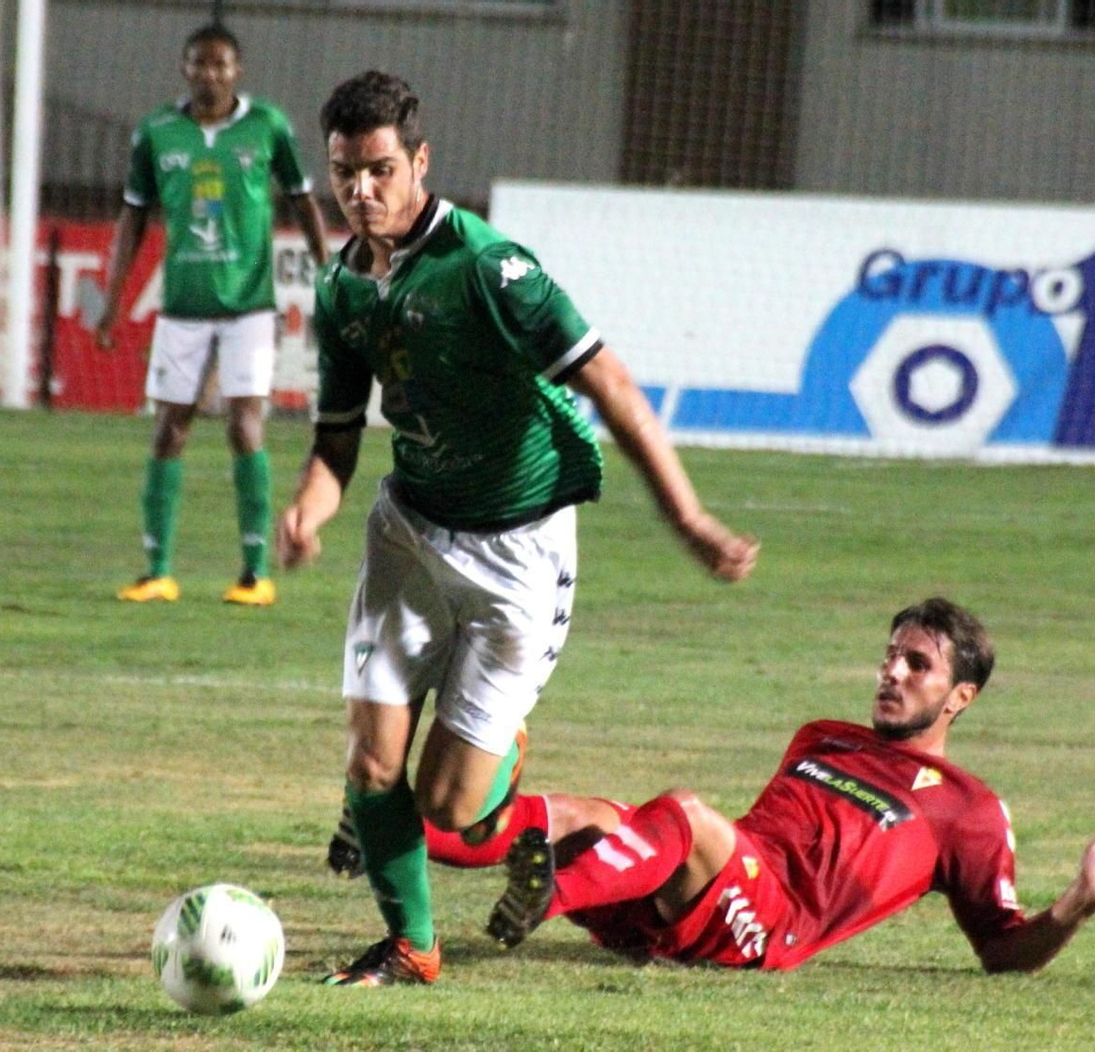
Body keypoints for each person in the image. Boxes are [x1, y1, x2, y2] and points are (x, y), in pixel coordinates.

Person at [276, 70, 759, 987]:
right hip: (410, 532)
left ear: (419, 162)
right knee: (372, 762)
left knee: (452, 805)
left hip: (519, 552)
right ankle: (413, 946)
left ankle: (502, 774)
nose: (362, 192)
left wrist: (688, 515)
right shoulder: (343, 290)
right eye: (344, 173)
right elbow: (337, 441)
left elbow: (610, 384)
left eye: (380, 170)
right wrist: (309, 507)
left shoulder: (494, 269)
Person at [484, 597, 1095, 973]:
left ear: (960, 697)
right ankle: (403, 830)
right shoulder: (821, 737)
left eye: (917, 665)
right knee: (587, 814)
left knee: (687, 815)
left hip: (770, 931)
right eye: (890, 656)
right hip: (708, 902)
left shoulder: (969, 810)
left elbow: (1001, 950)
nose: (893, 673)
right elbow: (760, 844)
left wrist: (1079, 903)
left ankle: (546, 894)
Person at [98, 22, 330, 606]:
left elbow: (302, 200)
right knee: (169, 430)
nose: (210, 74)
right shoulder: (157, 132)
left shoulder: (267, 126)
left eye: (221, 65)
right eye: (200, 64)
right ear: (184, 68)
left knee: (243, 424)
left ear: (238, 71)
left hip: (250, 305)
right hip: (182, 308)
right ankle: (158, 571)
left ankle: (255, 574)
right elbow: (133, 218)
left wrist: (330, 269)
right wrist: (113, 300)